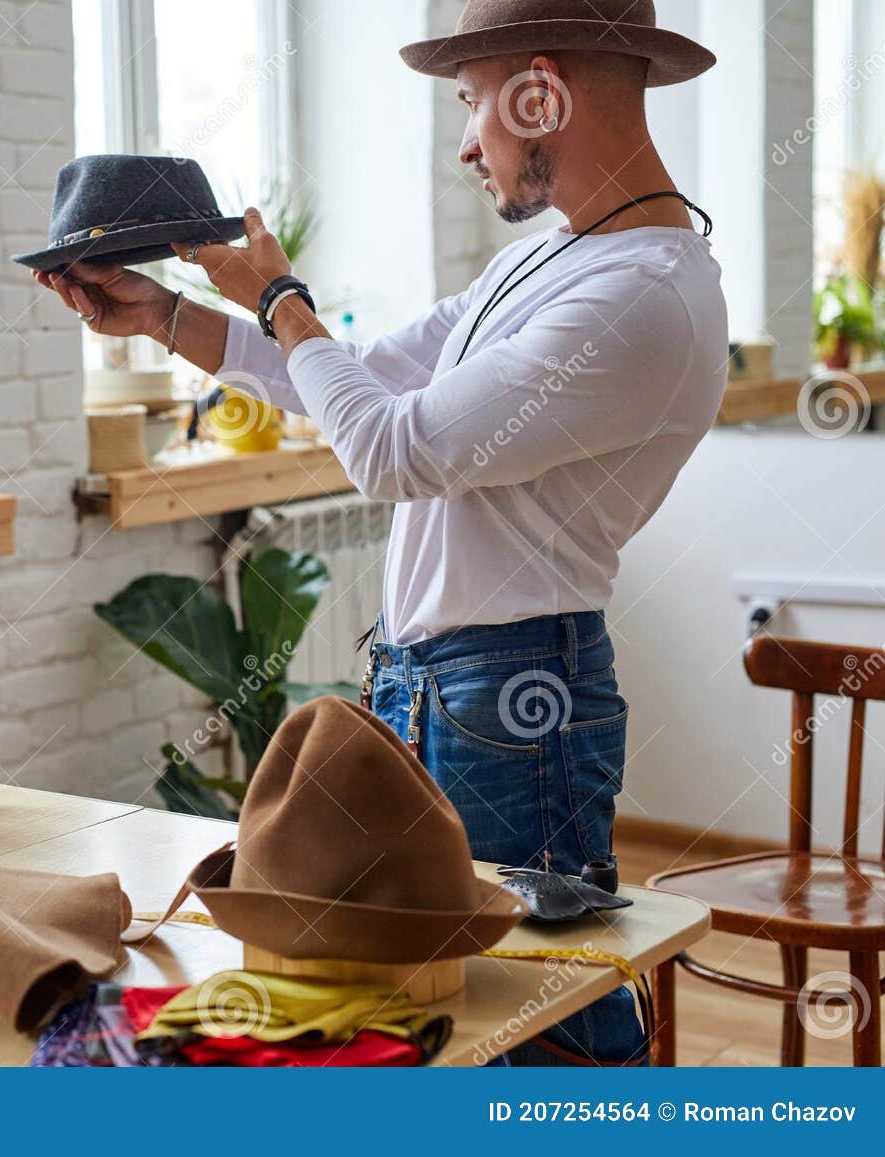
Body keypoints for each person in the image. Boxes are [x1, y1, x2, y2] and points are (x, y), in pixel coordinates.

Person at [35, 1, 726, 1066]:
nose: (466, 144)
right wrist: (164, 313)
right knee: (439, 1016)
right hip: (441, 686)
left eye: (472, 103)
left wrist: (283, 298)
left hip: (512, 699)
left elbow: (393, 449)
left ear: (540, 93)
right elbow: (358, 377)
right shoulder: (551, 262)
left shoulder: (642, 296)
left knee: (535, 1023)